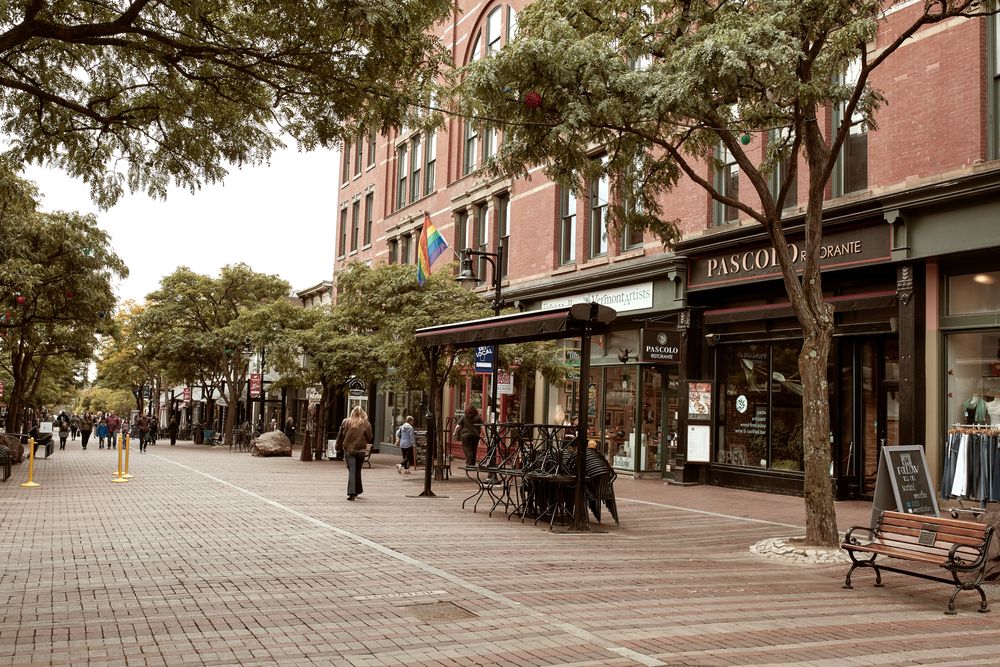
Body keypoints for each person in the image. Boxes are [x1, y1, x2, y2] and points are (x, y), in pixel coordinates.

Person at [336, 406, 373, 501]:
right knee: (357, 470)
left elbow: (340, 434)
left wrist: (337, 445)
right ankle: (357, 490)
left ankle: (352, 492)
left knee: (352, 470)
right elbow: (369, 437)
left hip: (349, 449)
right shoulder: (366, 424)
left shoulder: (346, 422)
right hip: (360, 451)